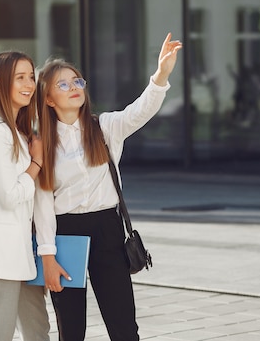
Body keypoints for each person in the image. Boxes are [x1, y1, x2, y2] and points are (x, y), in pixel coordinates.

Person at [33, 33, 182, 341]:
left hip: (107, 228)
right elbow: (42, 204)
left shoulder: (105, 127)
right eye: (63, 84)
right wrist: (47, 256)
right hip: (65, 233)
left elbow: (141, 111)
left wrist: (161, 74)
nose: (73, 88)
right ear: (48, 98)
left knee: (124, 327)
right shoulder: (41, 144)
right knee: (71, 330)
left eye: (77, 82)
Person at [0, 51, 50, 341]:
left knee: (37, 329)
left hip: (19, 253)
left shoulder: (15, 131)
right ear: (3, 83)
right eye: (20, 77)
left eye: (31, 76)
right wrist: (36, 165)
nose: (29, 83)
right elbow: (9, 195)